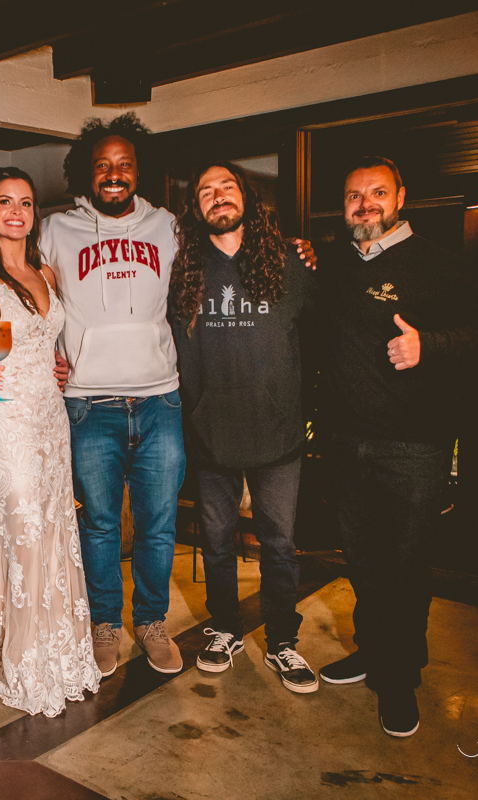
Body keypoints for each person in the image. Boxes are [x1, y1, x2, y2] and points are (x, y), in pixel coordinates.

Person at [40, 114, 317, 677]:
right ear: (86, 173)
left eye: (125, 164)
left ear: (139, 171)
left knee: (159, 525)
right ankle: (104, 624)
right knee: (99, 525)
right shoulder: (54, 230)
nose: (114, 173)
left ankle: (151, 622)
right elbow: (29, 295)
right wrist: (44, 353)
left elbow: (237, 244)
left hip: (160, 401)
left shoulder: (169, 227)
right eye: (102, 165)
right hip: (88, 402)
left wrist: (298, 247)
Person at [318, 156, 478, 737]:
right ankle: (373, 651)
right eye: (353, 195)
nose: (365, 204)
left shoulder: (437, 263)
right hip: (347, 443)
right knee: (363, 562)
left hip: (413, 447)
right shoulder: (334, 264)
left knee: (407, 566)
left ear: (401, 198)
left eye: (377, 193)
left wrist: (428, 346)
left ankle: (400, 677)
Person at [0, 167, 101, 716]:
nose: (16, 211)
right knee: (22, 524)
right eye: (5, 202)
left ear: (34, 214)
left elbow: (48, 340)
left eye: (25, 203)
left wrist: (60, 364)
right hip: (5, 418)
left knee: (51, 526)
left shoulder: (46, 272)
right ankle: (21, 660)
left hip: (50, 418)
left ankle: (54, 650)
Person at [169, 161, 318, 694]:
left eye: (226, 186)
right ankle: (226, 629)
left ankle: (282, 641)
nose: (217, 196)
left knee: (279, 543)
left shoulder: (289, 262)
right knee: (216, 542)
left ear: (246, 197)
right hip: (212, 434)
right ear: (196, 208)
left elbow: (323, 333)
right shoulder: (183, 269)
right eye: (205, 191)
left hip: (277, 434)